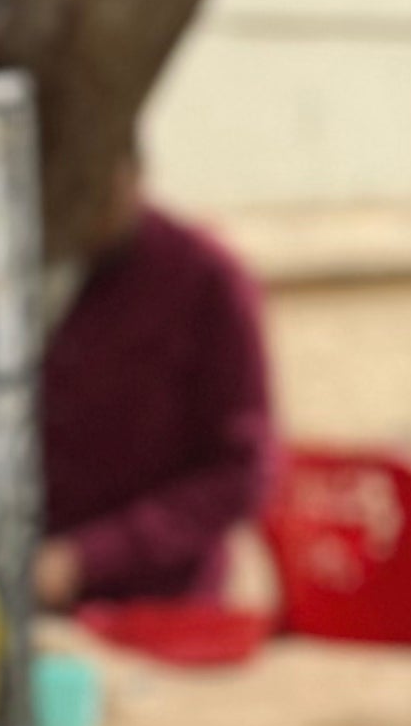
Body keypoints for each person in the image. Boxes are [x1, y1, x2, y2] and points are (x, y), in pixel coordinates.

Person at [31, 141, 280, 609]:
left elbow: (244, 472)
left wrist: (88, 558)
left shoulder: (209, 282)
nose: (78, 210)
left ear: (135, 171)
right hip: (42, 603)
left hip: (166, 609)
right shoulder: (35, 270)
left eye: (93, 189)